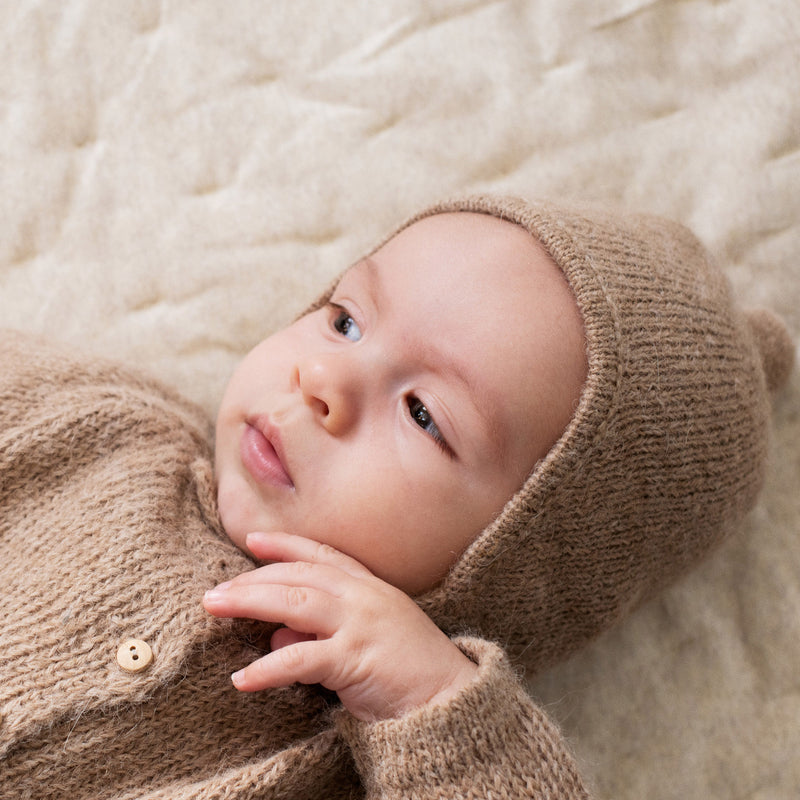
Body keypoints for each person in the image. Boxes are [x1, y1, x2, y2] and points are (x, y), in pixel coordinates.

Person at [0, 194, 793, 799]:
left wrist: (439, 707)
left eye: (422, 414)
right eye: (345, 321)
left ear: (514, 563)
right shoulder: (104, 430)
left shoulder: (385, 756)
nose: (324, 381)